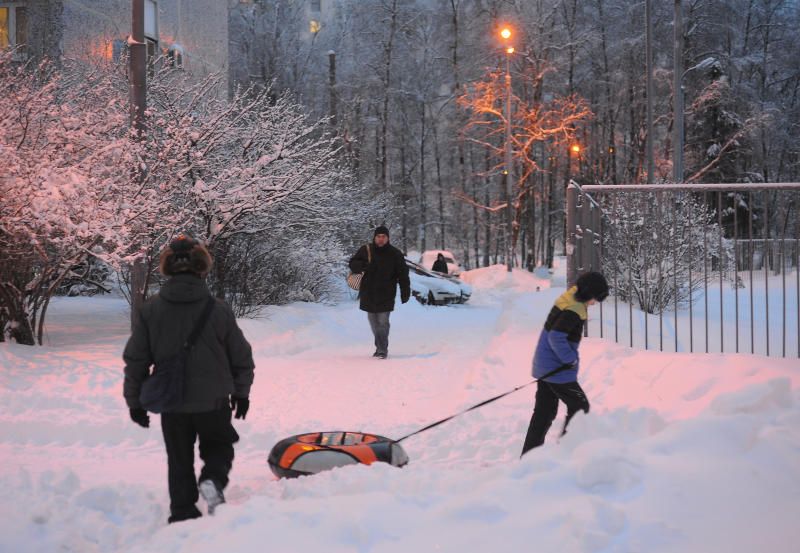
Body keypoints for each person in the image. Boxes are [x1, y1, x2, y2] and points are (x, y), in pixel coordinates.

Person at [123, 234, 255, 524]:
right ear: (201, 267)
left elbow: (136, 359)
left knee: (179, 459)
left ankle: (182, 514)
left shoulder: (151, 310)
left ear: (167, 268)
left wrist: (135, 402)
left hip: (172, 401)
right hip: (214, 400)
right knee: (219, 445)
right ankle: (212, 481)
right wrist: (242, 394)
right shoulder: (218, 309)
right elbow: (241, 356)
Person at [520, 271, 609, 457]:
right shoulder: (573, 309)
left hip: (546, 364)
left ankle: (528, 457)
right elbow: (556, 336)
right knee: (580, 406)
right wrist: (570, 359)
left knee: (544, 413)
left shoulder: (570, 298)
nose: (593, 303)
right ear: (587, 293)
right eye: (594, 298)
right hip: (556, 369)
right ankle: (568, 452)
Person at [348, 225, 411, 359]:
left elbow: (403, 274)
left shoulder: (395, 253)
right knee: (373, 321)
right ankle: (380, 346)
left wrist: (405, 291)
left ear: (388, 238)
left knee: (383, 321)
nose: (381, 239)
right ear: (374, 237)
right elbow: (352, 263)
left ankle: (382, 349)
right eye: (378, 237)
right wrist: (363, 266)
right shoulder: (366, 250)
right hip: (368, 292)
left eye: (384, 237)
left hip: (387, 293)